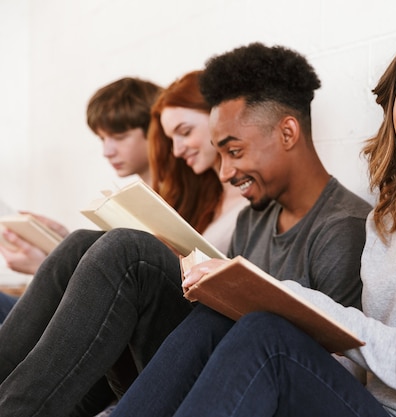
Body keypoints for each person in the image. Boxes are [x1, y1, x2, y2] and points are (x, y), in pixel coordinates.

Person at [111, 11, 396, 417]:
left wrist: (283, 300)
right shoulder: (389, 215)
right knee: (221, 321)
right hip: (369, 407)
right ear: (395, 97)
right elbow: (355, 364)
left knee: (265, 337)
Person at [0, 43, 371, 417]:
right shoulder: (254, 217)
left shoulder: (341, 227)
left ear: (288, 133)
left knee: (130, 254)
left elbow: (335, 372)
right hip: (203, 360)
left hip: (252, 380)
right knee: (84, 243)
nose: (224, 172)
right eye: (220, 154)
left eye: (235, 152)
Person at [0, 70, 247, 417]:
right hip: (141, 325)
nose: (176, 149)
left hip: (184, 335)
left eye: (118, 135)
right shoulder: (196, 197)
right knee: (80, 242)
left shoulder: (239, 208)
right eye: (171, 136)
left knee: (122, 250)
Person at [0, 77, 161, 276]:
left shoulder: (171, 205)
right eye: (102, 138)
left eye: (119, 137)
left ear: (155, 130)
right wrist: (62, 247)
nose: (107, 151)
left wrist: (46, 268)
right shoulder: (134, 200)